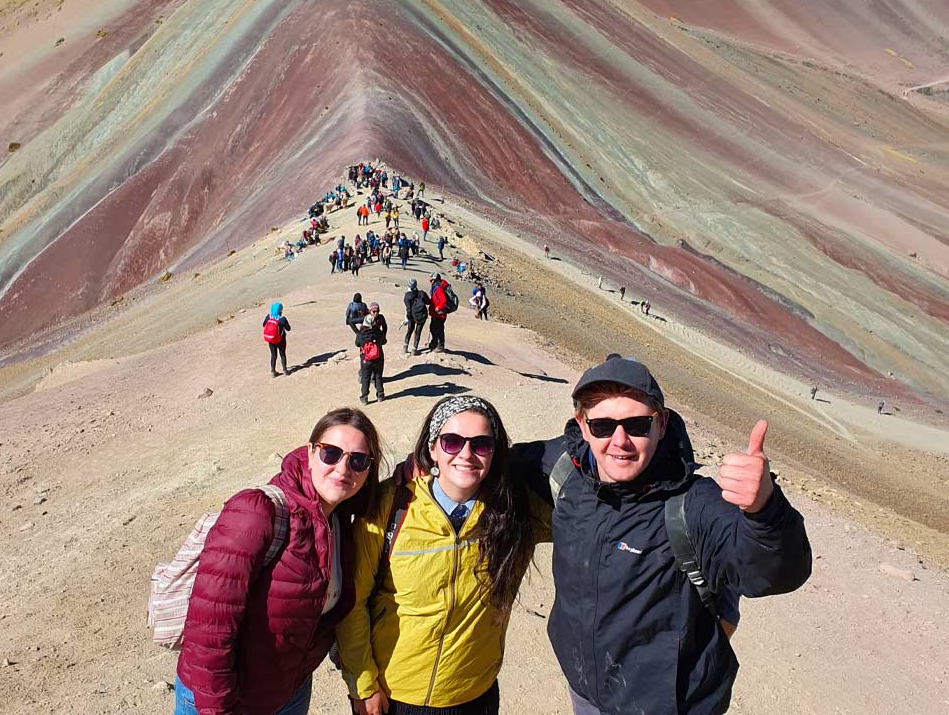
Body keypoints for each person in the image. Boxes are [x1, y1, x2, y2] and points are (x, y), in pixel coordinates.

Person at [512, 354, 812, 715]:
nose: (619, 441)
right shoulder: (566, 469)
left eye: (637, 424)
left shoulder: (694, 504)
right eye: (603, 426)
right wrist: (429, 459)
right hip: (585, 691)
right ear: (583, 424)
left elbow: (775, 572)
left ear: (661, 423)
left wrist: (766, 509)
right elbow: (501, 462)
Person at [336, 395, 548, 715]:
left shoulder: (516, 512)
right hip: (395, 694)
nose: (466, 453)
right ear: (432, 449)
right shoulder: (389, 507)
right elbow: (353, 604)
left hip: (474, 694)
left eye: (481, 445)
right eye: (451, 442)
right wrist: (363, 686)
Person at [175, 408, 384, 715]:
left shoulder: (340, 524)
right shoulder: (257, 512)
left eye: (357, 460)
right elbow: (208, 631)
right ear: (310, 452)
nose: (343, 468)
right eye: (331, 453)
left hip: (290, 692)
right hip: (225, 700)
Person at [355, 306, 387, 405]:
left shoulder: (361, 333)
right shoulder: (378, 332)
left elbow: (357, 343)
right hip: (378, 357)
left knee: (365, 377)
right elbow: (384, 341)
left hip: (366, 358)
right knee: (378, 376)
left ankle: (364, 398)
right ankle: (380, 395)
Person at [262, 302, 291, 377]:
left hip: (271, 339)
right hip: (281, 339)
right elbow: (288, 329)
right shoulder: (282, 319)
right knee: (282, 354)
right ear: (280, 310)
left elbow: (264, 325)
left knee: (273, 355)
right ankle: (285, 371)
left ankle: (273, 372)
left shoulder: (268, 316)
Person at [403, 279, 429, 355]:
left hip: (411, 317)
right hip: (421, 316)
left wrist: (407, 318)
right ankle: (414, 350)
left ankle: (405, 347)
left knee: (409, 330)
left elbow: (408, 309)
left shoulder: (407, 296)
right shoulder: (422, 293)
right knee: (418, 332)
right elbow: (428, 302)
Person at [426, 273, 450, 353]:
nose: (430, 281)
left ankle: (441, 346)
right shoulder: (436, 287)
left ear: (435, 280)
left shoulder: (438, 288)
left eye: (431, 280)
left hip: (440, 314)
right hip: (436, 313)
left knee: (439, 329)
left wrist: (438, 307)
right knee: (433, 327)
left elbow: (443, 300)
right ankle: (434, 342)